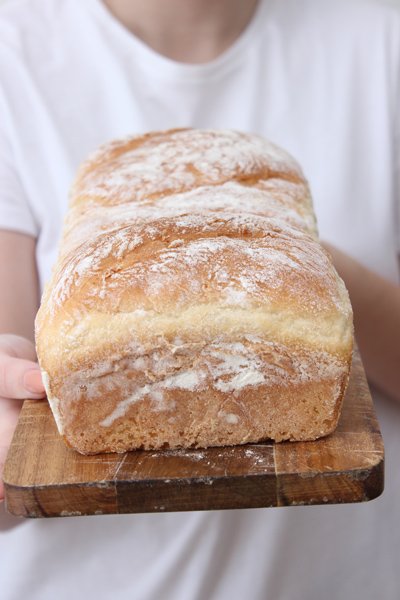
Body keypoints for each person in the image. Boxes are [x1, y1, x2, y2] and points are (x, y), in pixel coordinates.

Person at [1, 0, 400, 598]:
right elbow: (19, 450)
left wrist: (282, 254)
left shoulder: (381, 36)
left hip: (339, 581)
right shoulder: (16, 57)